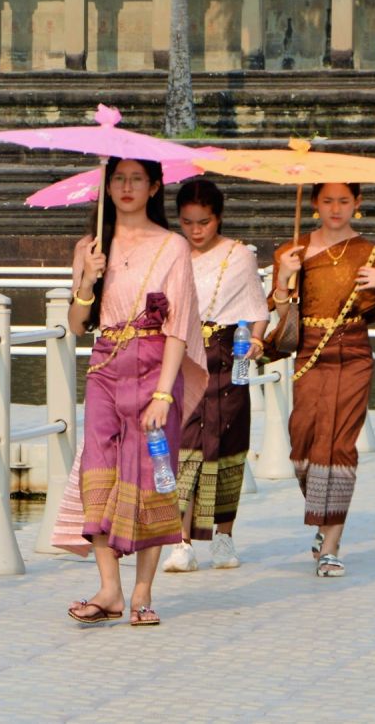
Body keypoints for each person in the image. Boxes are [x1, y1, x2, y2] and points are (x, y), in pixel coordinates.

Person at [52, 157, 206, 626]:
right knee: (96, 471)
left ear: (154, 187)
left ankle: (141, 592)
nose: (126, 187)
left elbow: (178, 326)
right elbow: (77, 325)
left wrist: (164, 395)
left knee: (148, 471)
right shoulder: (92, 244)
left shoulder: (173, 246)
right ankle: (109, 589)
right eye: (117, 178)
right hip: (104, 367)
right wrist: (87, 279)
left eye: (137, 179)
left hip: (155, 368)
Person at [270, 182, 375, 578]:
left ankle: (331, 541)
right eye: (328, 200)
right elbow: (280, 309)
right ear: (313, 204)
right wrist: (284, 277)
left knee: (339, 442)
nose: (336, 208)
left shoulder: (369, 253)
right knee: (304, 441)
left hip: (353, 353)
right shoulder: (292, 250)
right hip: (310, 353)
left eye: (344, 201)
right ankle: (323, 515)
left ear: (357, 204)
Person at [163, 178, 268, 573]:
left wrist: (255, 341)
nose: (195, 231)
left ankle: (223, 537)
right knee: (184, 447)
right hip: (186, 355)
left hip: (230, 354)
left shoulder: (238, 256)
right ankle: (182, 541)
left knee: (228, 443)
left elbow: (256, 307)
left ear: (218, 218)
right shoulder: (172, 254)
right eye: (187, 222)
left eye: (203, 222)